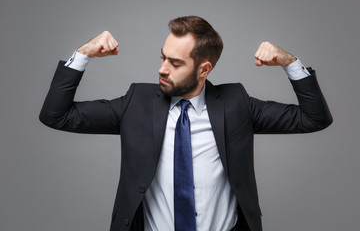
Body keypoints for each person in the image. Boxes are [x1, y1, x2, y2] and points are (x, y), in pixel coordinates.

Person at [39, 16, 332, 231]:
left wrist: (290, 63)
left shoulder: (236, 103)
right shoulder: (137, 102)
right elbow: (57, 115)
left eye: (175, 63)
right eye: (163, 58)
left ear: (204, 69)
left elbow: (313, 118)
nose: (162, 69)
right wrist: (83, 55)